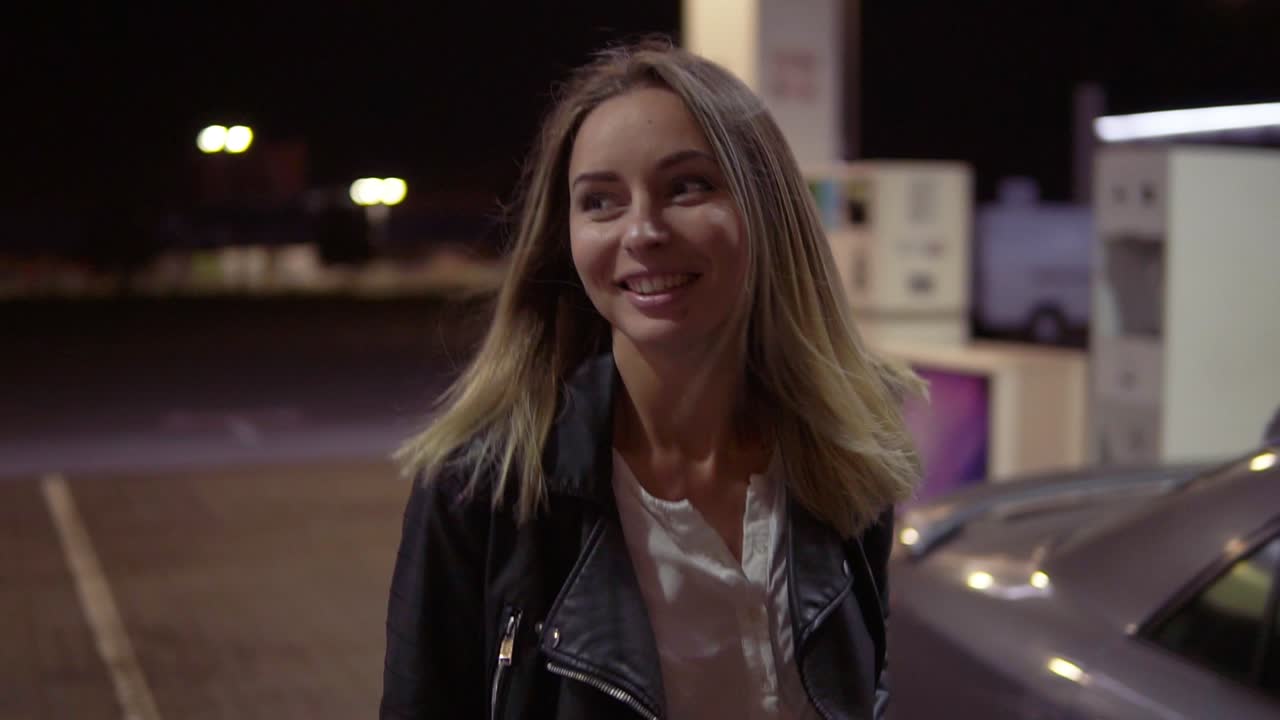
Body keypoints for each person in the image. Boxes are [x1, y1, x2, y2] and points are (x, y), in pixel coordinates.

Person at [381, 37, 923, 720]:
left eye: (687, 187)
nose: (641, 231)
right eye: (600, 202)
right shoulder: (484, 487)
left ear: (768, 211)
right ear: (566, 237)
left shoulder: (842, 456)